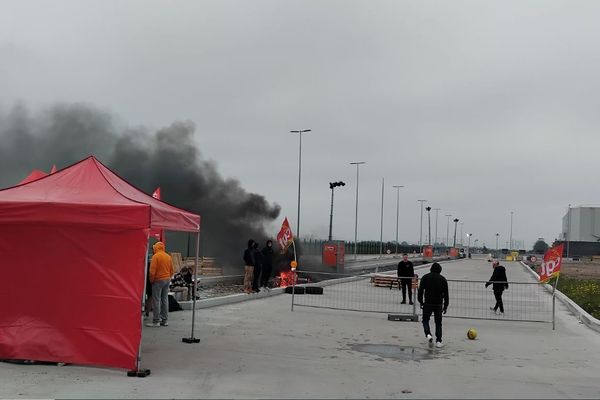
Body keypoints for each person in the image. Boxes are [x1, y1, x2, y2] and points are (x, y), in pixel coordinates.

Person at [418, 262, 449, 348]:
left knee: (425, 320)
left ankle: (428, 334)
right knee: (438, 323)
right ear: (440, 270)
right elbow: (446, 294)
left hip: (427, 302)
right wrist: (445, 306)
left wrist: (420, 301)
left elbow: (420, 291)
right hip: (438, 304)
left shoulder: (425, 277)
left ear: (431, 269)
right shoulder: (443, 279)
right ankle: (439, 341)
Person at [146, 241, 174, 327]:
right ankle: (165, 320)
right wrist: (168, 277)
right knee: (165, 299)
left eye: (154, 248)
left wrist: (151, 280)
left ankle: (156, 320)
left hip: (158, 280)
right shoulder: (168, 256)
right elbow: (172, 270)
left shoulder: (155, 257)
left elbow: (152, 272)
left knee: (156, 300)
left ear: (156, 248)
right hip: (167, 279)